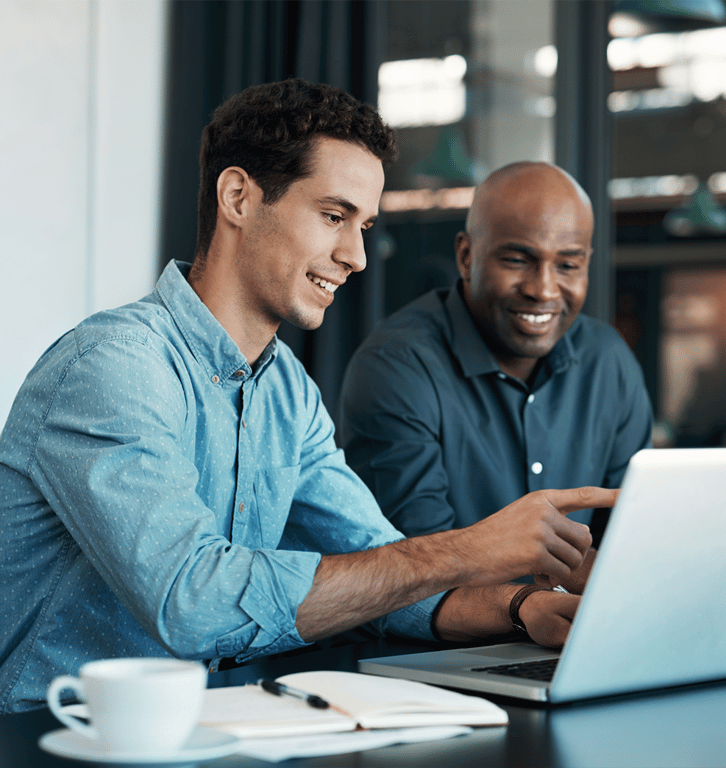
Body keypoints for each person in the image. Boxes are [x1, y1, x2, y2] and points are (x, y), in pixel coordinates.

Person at [0, 81, 616, 714]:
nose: (356, 256)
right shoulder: (114, 367)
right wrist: (468, 550)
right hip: (50, 735)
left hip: (207, 728)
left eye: (364, 226)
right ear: (238, 197)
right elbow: (194, 602)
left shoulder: (286, 390)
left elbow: (378, 571)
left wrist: (523, 607)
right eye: (333, 216)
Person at [339, 161, 652, 551]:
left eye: (568, 265)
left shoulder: (607, 360)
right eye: (518, 261)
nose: (543, 290)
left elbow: (633, 534)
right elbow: (417, 563)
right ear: (466, 256)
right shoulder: (396, 365)